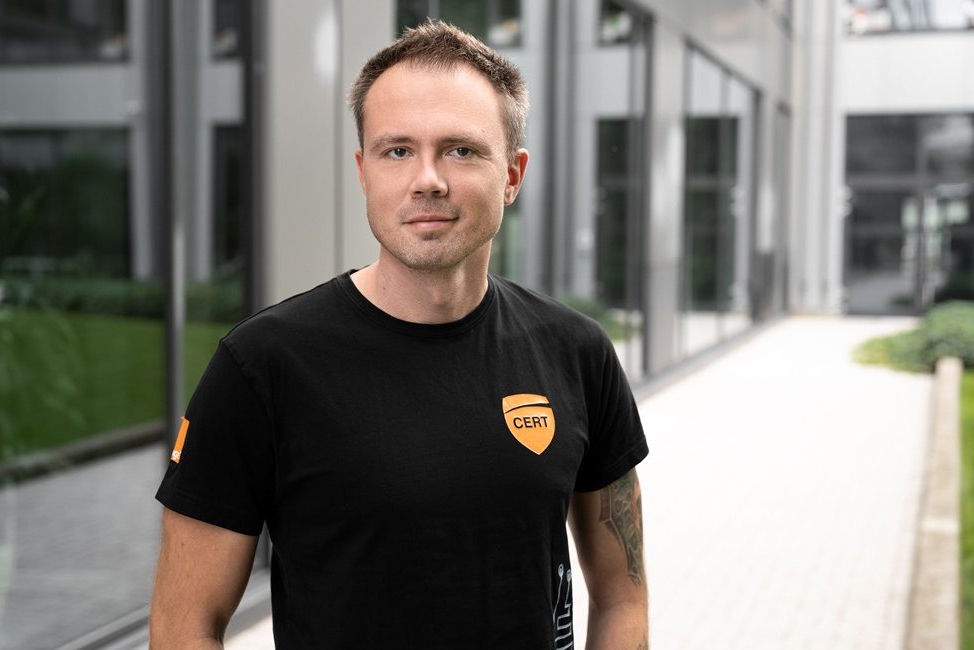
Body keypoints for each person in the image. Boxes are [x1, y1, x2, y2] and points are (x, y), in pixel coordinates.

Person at [149, 21, 649, 649]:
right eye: (397, 151)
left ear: (513, 174)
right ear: (364, 172)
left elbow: (623, 594)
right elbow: (184, 625)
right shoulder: (262, 366)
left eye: (461, 150)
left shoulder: (576, 352)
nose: (428, 179)